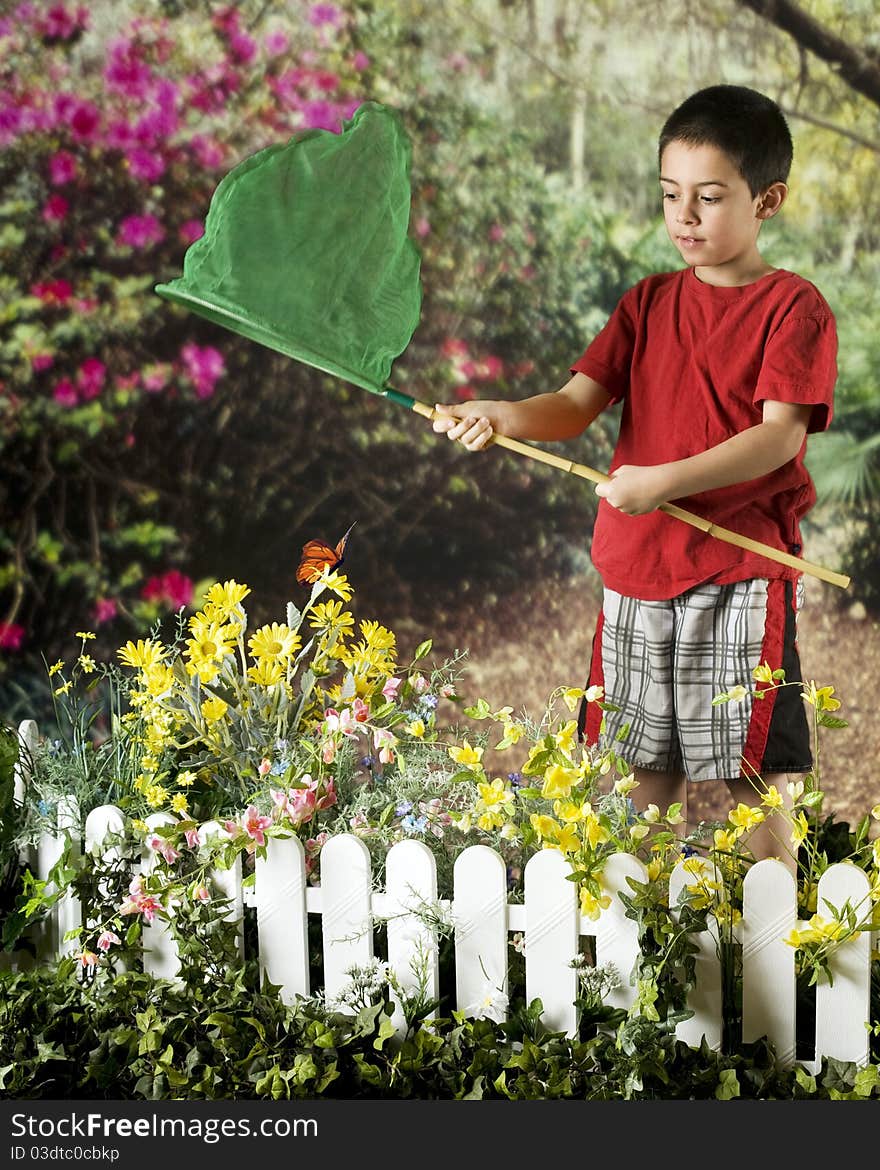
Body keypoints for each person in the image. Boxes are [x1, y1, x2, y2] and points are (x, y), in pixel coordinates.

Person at [431, 84, 837, 870]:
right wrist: (501, 414)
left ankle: (778, 945)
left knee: (752, 771)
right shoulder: (646, 303)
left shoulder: (795, 308)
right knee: (645, 767)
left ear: (768, 200)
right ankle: (638, 941)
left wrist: (662, 482)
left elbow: (779, 439)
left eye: (709, 197)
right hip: (638, 570)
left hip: (740, 571)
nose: (684, 216)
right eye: (670, 195)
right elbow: (573, 404)